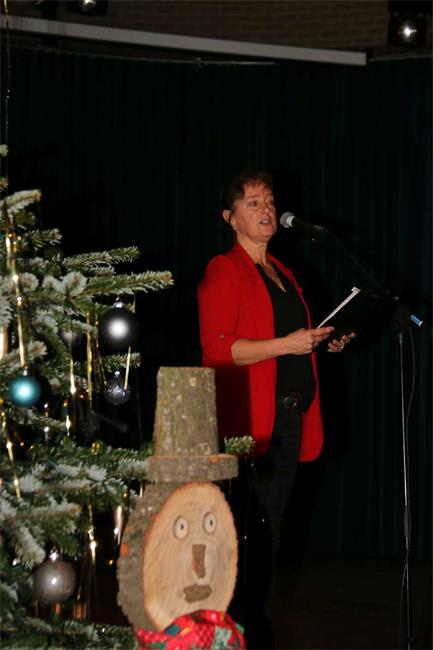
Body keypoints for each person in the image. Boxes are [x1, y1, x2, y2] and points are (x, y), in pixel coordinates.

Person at [197, 169, 354, 648]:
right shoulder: (225, 269)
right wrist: (288, 344)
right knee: (250, 539)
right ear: (230, 218)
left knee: (271, 536)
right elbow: (217, 349)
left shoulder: (281, 273)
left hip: (288, 418)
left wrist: (319, 343)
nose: (266, 209)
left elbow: (283, 340)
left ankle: (251, 629)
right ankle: (239, 631)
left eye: (269, 201)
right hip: (251, 424)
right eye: (252, 203)